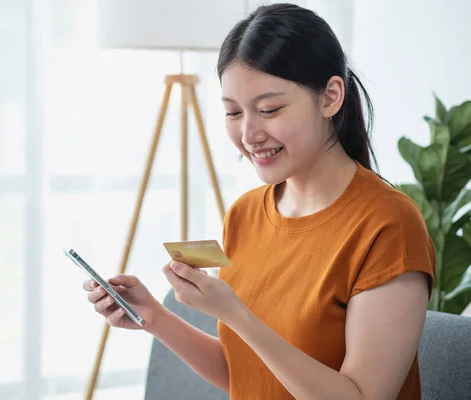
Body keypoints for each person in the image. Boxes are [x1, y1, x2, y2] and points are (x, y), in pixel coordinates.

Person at [83, 3, 435, 399]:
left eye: (269, 109)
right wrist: (155, 318)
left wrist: (236, 314)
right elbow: (249, 375)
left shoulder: (388, 224)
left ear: (330, 97)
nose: (249, 134)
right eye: (233, 112)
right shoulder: (245, 214)